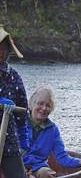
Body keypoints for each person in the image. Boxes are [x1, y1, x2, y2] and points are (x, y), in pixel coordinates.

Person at [23, 87, 81, 178]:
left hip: (38, 168)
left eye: (48, 105)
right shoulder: (19, 122)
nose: (44, 108)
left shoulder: (53, 130)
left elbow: (62, 157)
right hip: (17, 164)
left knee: (48, 174)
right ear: (31, 105)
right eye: (40, 103)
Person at [0, 25, 29, 178]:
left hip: (9, 142)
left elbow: (23, 109)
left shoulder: (14, 76)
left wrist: (24, 136)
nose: (1, 52)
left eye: (4, 48)